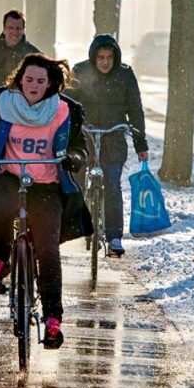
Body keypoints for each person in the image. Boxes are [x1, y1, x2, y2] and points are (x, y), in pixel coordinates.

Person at [0, 53, 88, 349]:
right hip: (10, 175)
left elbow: (79, 147)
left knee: (48, 250)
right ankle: (0, 259)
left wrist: (73, 157)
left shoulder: (64, 110)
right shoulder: (1, 103)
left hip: (46, 185)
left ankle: (52, 319)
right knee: (1, 205)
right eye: (29, 79)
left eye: (40, 80)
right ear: (19, 79)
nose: (34, 85)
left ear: (50, 83)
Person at [67, 33, 148, 257]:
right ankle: (79, 223)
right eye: (100, 57)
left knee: (112, 184)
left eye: (109, 57)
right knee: (77, 180)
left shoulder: (125, 75)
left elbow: (135, 110)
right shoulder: (81, 71)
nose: (104, 62)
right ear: (94, 57)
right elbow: (67, 103)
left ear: (115, 57)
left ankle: (114, 237)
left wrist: (141, 143)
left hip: (114, 137)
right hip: (85, 136)